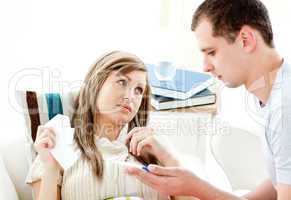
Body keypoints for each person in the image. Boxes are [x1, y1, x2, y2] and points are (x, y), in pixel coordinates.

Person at [127, 0, 291, 199]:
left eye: (211, 52)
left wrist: (196, 188)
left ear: (245, 40)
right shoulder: (278, 90)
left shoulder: (284, 110)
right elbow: (279, 183)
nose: (205, 67)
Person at [25, 51, 189, 200]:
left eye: (138, 90)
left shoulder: (154, 147)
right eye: (122, 82)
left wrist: (168, 156)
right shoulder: (59, 146)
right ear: (96, 85)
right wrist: (51, 165)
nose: (130, 96)